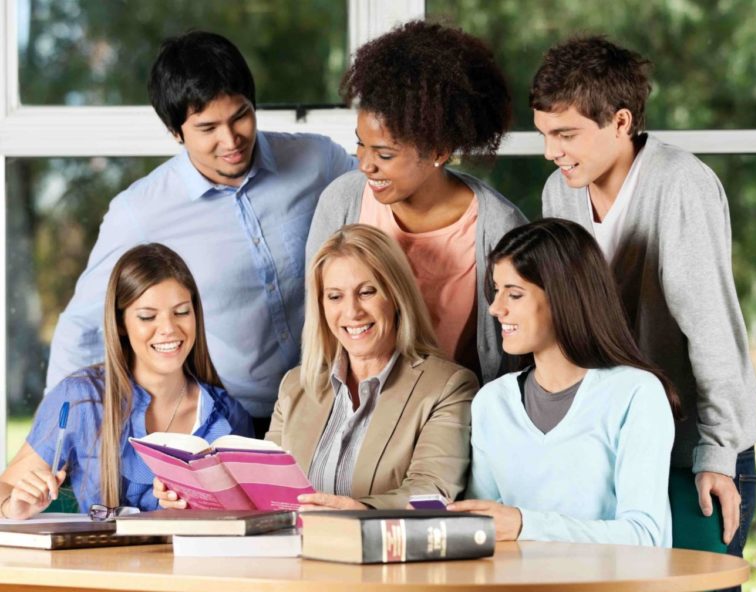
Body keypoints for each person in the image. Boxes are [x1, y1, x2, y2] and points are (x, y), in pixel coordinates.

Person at [45, 31, 356, 437]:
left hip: (328, 405)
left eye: (240, 116)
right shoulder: (139, 212)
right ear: (175, 131)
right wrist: (53, 442)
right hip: (223, 422)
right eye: (208, 127)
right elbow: (82, 328)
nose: (230, 141)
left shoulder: (319, 161)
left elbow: (389, 201)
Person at [530, 35, 756, 559]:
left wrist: (718, 452)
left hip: (694, 448)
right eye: (544, 133)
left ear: (620, 122)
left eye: (566, 134)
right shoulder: (559, 191)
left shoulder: (680, 185)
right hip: (616, 445)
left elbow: (711, 329)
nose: (552, 151)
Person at [156, 224, 478, 510]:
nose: (351, 312)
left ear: (395, 296)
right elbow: (261, 492)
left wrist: (356, 511)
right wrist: (197, 497)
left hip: (382, 567)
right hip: (296, 565)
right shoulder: (295, 386)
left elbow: (432, 492)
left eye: (366, 292)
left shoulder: (446, 386)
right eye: (335, 297)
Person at [306, 21, 527, 385]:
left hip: (457, 415)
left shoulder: (500, 227)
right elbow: (319, 322)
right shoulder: (343, 201)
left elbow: (515, 356)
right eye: (361, 143)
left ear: (439, 152)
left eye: (385, 154)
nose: (365, 164)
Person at [449, 219, 679, 545]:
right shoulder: (492, 401)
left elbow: (646, 537)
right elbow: (486, 526)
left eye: (514, 294)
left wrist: (524, 525)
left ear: (562, 297)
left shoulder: (636, 394)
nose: (495, 308)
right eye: (496, 291)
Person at [0, 244, 253, 518]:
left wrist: (203, 510)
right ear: (120, 323)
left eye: (181, 312)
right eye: (148, 316)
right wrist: (13, 505)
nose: (168, 329)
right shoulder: (82, 399)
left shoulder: (228, 417)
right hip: (97, 561)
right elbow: (6, 488)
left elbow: (254, 519)